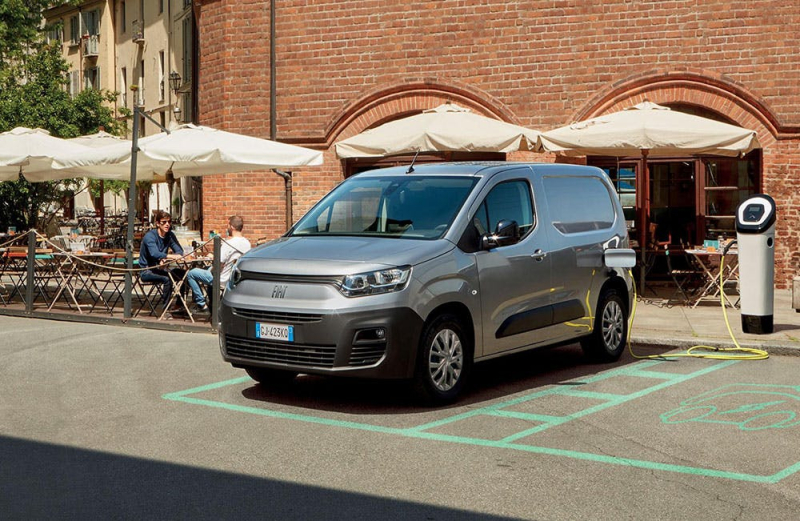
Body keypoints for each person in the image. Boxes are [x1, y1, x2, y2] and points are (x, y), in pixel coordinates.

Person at [186, 215, 251, 315]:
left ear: (232, 227)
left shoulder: (228, 243)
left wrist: (211, 268)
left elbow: (218, 265)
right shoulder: (247, 243)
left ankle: (202, 305)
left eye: (227, 225)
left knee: (191, 273)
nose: (227, 228)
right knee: (207, 269)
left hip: (221, 279)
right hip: (233, 279)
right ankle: (212, 305)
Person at [139, 210, 186, 314]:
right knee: (167, 279)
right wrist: (169, 256)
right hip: (147, 270)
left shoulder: (170, 235)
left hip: (162, 268)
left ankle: (179, 305)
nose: (167, 224)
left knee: (184, 275)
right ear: (157, 223)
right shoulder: (150, 236)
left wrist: (165, 258)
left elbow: (179, 250)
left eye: (169, 222)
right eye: (164, 222)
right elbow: (154, 253)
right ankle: (166, 309)